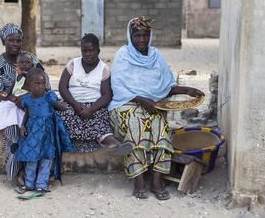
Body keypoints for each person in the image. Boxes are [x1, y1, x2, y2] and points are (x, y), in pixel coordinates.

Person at [108, 17, 204, 200]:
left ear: (150, 36)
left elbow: (166, 86)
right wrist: (142, 100)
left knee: (161, 128)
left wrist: (187, 90)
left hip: (152, 105)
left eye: (146, 35)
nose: (142, 40)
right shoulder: (123, 55)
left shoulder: (155, 56)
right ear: (130, 36)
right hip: (125, 104)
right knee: (136, 126)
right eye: (137, 35)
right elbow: (118, 87)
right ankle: (139, 181)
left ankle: (156, 181)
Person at [0, 23, 50, 186]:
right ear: (3, 42)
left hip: (29, 101)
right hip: (4, 104)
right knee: (13, 128)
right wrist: (11, 97)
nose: (15, 44)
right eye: (11, 40)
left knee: (36, 124)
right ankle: (17, 170)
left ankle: (36, 172)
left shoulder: (30, 59)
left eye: (18, 41)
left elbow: (44, 82)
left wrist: (28, 94)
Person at [58, 33, 121, 153]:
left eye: (91, 50)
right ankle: (96, 142)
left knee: (98, 119)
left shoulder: (103, 69)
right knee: (63, 114)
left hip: (94, 106)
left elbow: (107, 95)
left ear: (98, 51)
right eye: (84, 50)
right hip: (72, 103)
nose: (87, 54)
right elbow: (62, 87)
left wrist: (90, 110)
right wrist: (75, 105)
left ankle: (113, 143)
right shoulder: (73, 64)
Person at [15, 68, 73, 194]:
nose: (41, 86)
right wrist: (23, 126)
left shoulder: (49, 97)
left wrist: (54, 102)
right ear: (29, 85)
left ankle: (41, 184)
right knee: (31, 158)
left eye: (43, 83)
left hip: (47, 134)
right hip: (33, 134)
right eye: (37, 84)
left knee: (46, 158)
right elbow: (27, 114)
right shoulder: (26, 99)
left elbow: (63, 108)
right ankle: (29, 183)